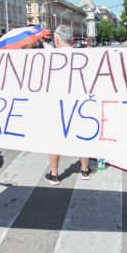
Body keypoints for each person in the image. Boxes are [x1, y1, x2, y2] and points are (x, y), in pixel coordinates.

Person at [45, 25, 91, 185]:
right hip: (80, 104)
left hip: (57, 105)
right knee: (82, 137)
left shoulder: (49, 58)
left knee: (54, 139)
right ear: (71, 39)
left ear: (56, 40)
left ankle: (54, 174)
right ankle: (85, 169)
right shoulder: (84, 56)